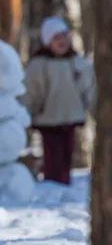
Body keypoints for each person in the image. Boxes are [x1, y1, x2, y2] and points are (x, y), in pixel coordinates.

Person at [23, 16, 94, 185]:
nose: (61, 41)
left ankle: (64, 180)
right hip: (47, 118)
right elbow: (31, 91)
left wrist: (89, 105)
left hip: (70, 116)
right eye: (56, 38)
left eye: (64, 37)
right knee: (52, 153)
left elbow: (88, 87)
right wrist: (28, 110)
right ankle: (52, 183)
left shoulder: (77, 62)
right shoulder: (39, 65)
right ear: (48, 41)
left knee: (67, 153)